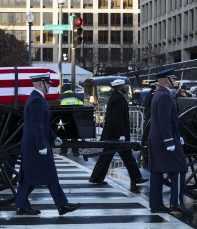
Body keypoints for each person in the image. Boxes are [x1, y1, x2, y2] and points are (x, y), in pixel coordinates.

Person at [15, 73, 81, 216]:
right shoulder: (36, 101)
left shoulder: (37, 99)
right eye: (48, 83)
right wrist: (41, 146)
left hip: (35, 145)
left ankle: (22, 206)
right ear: (41, 84)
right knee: (48, 175)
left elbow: (43, 125)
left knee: (29, 177)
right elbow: (36, 126)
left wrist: (54, 137)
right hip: (36, 147)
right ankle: (61, 205)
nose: (50, 85)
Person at [89, 79, 148, 186]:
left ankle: (96, 177)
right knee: (124, 156)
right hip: (116, 135)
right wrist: (121, 134)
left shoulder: (115, 96)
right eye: (124, 86)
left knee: (110, 156)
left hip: (113, 134)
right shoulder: (118, 98)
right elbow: (117, 118)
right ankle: (136, 178)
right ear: (120, 87)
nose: (125, 88)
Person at [148, 69, 188, 213]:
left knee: (157, 171)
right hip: (164, 140)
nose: (175, 81)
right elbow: (164, 122)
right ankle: (176, 203)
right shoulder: (164, 96)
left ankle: (156, 204)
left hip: (157, 139)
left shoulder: (159, 94)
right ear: (166, 81)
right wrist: (170, 142)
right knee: (180, 168)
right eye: (173, 79)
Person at [60, 83, 83, 157]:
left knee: (64, 136)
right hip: (74, 119)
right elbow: (81, 105)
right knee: (74, 136)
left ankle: (63, 151)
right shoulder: (75, 96)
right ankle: (75, 151)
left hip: (64, 119)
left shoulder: (61, 97)